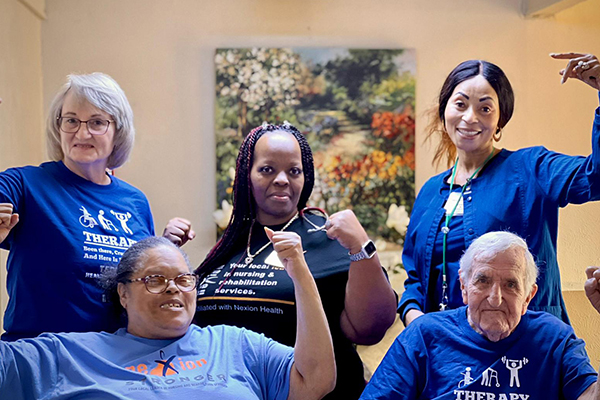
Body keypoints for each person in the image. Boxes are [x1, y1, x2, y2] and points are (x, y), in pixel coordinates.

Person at [194, 122, 397, 399]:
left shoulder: (327, 236)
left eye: (293, 171)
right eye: (267, 169)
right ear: (246, 176)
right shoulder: (228, 245)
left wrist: (362, 247)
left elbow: (369, 329)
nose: (281, 179)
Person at [399, 52, 600, 326]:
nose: (470, 118)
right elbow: (414, 278)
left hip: (524, 349)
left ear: (499, 121)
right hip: (446, 352)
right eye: (460, 104)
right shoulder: (431, 192)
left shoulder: (531, 168)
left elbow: (595, 178)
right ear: (444, 111)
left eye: (485, 108)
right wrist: (416, 320)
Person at [0, 236, 335, 399]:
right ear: (123, 294)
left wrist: (300, 274)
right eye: (155, 280)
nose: (174, 289)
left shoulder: (233, 342)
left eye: (184, 279)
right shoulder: (69, 355)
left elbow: (316, 380)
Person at [0, 73, 178, 340]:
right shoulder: (25, 184)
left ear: (118, 130)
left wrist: (163, 250)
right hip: (44, 360)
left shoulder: (135, 202)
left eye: (97, 122)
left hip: (118, 360)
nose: (82, 133)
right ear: (58, 126)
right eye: (71, 120)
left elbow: (138, 287)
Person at [360, 231, 599, 399]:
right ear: (463, 287)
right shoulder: (424, 334)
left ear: (528, 296)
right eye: (482, 281)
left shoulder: (554, 338)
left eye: (511, 285)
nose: (495, 298)